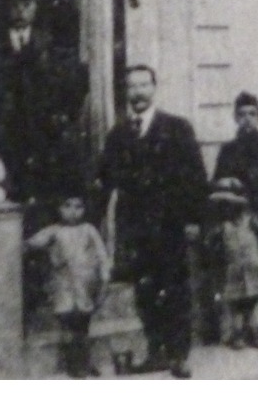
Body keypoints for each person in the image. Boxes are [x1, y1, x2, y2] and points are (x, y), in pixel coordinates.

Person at [97, 64, 207, 378]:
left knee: (174, 288)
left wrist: (193, 219)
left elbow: (195, 177)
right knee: (144, 290)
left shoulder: (177, 128)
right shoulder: (118, 135)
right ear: (126, 92)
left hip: (170, 224)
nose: (138, 92)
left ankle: (179, 354)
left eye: (144, 85)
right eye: (132, 86)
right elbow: (104, 180)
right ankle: (155, 349)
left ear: (154, 88)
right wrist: (93, 222)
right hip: (135, 226)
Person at [0, 0, 84, 206]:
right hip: (6, 128)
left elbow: (64, 85)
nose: (20, 11)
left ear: (36, 9)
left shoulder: (48, 44)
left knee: (42, 185)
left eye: (27, 5)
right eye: (15, 5)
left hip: (40, 129)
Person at [211, 91, 258, 346]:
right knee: (242, 274)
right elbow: (217, 185)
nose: (247, 119)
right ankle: (244, 329)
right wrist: (225, 183)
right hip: (237, 219)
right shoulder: (228, 150)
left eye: (252, 114)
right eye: (242, 114)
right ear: (235, 117)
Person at [25, 191, 110, 378]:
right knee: (68, 326)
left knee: (83, 326)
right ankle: (74, 365)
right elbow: (33, 243)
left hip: (84, 285)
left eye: (78, 207)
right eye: (67, 206)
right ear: (59, 209)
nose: (73, 212)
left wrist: (103, 279)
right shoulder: (54, 231)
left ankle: (85, 362)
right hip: (63, 285)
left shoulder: (89, 230)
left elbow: (102, 256)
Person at [207, 177, 258, 349]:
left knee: (250, 304)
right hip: (234, 268)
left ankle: (255, 333)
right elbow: (212, 241)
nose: (229, 209)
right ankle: (238, 334)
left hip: (251, 266)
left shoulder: (248, 220)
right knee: (236, 305)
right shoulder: (223, 226)